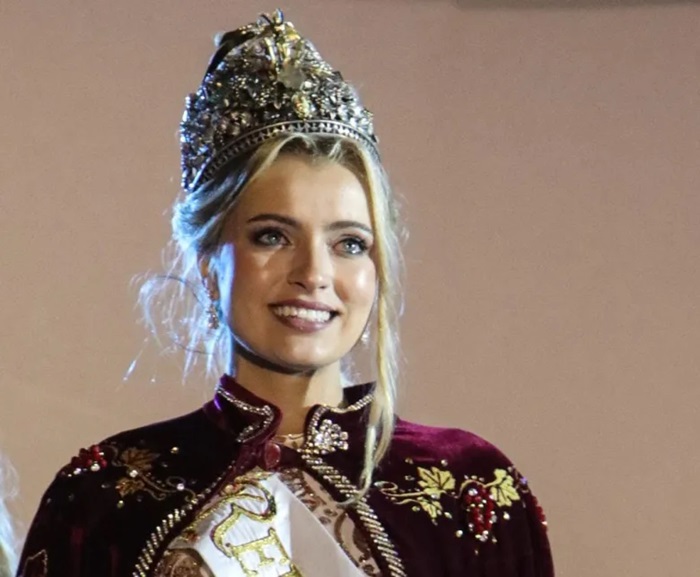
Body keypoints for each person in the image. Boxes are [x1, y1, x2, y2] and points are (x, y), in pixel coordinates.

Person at [17, 10, 553, 577]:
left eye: (349, 244)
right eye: (273, 236)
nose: (314, 272)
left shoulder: (469, 486)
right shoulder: (104, 496)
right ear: (208, 264)